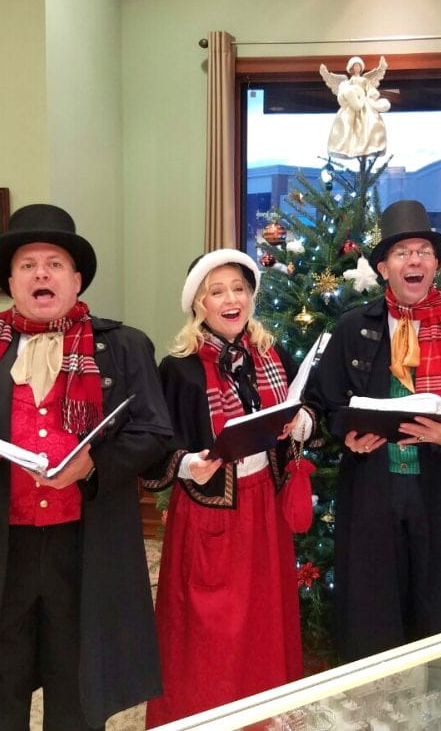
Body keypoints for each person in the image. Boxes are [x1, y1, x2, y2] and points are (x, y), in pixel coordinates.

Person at [0, 204, 173, 730]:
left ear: (76, 279)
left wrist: (92, 466)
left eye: (54, 263)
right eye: (28, 265)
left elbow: (154, 434)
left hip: (85, 545)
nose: (41, 274)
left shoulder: (122, 346)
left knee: (75, 681)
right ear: (11, 280)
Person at [308, 199, 441, 661]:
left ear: (435, 263)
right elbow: (325, 402)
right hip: (376, 487)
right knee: (375, 605)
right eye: (401, 253)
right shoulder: (353, 327)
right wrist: (347, 433)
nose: (413, 260)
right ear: (382, 268)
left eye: (422, 251)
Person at [143, 249, 315, 726]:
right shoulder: (178, 368)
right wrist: (185, 465)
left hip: (265, 506)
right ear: (198, 304)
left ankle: (261, 717)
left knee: (263, 619)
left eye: (239, 288)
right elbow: (154, 446)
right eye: (216, 291)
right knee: (208, 627)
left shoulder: (270, 355)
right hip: (209, 513)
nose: (231, 299)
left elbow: (297, 415)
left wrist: (299, 422)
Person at [319, 55, 391, 159]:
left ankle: (369, 146)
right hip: (353, 103)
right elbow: (344, 91)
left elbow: (370, 89)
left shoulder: (365, 80)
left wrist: (371, 95)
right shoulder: (347, 82)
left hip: (365, 104)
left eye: (358, 66)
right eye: (355, 66)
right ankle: (348, 148)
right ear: (351, 68)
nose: (357, 68)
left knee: (369, 125)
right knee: (349, 125)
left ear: (360, 68)